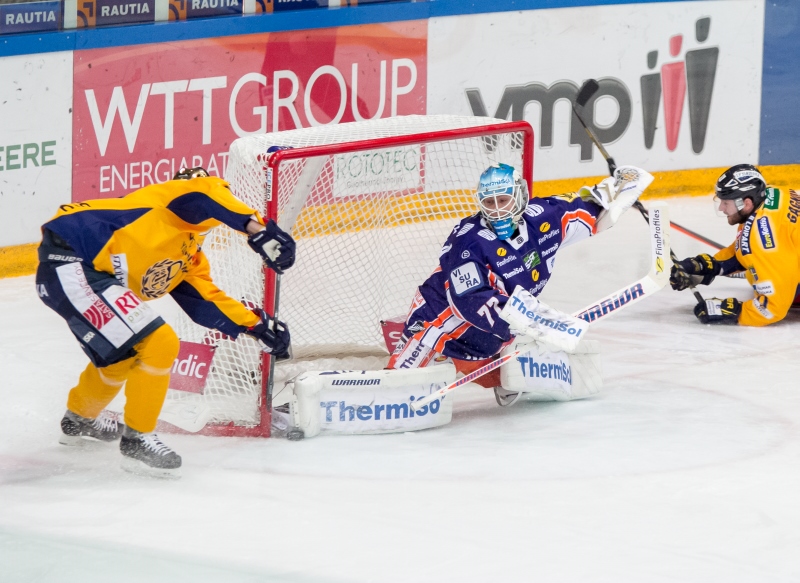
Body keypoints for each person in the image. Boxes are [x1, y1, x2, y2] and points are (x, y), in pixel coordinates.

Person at [36, 167, 294, 477]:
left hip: (84, 276)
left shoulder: (189, 256)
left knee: (122, 359)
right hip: (72, 262)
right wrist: (256, 228)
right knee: (160, 342)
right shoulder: (168, 200)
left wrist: (257, 327)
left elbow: (205, 303)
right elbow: (205, 194)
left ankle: (79, 419)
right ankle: (137, 439)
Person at [387, 162, 651, 405]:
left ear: (520, 196)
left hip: (492, 338)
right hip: (437, 327)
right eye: (489, 203)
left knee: (506, 376)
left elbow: (588, 209)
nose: (498, 210)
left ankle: (502, 374)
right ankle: (417, 354)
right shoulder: (469, 242)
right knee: (395, 394)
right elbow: (471, 299)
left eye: (503, 200)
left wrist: (619, 188)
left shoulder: (544, 218)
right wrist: (539, 321)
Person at [670, 164, 800, 326]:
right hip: (783, 254)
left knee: (758, 278)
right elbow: (747, 247)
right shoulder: (774, 193)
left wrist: (734, 311)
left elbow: (772, 309)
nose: (721, 208)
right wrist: (712, 265)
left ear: (746, 203)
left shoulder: (764, 244)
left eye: (726, 202)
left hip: (780, 264)